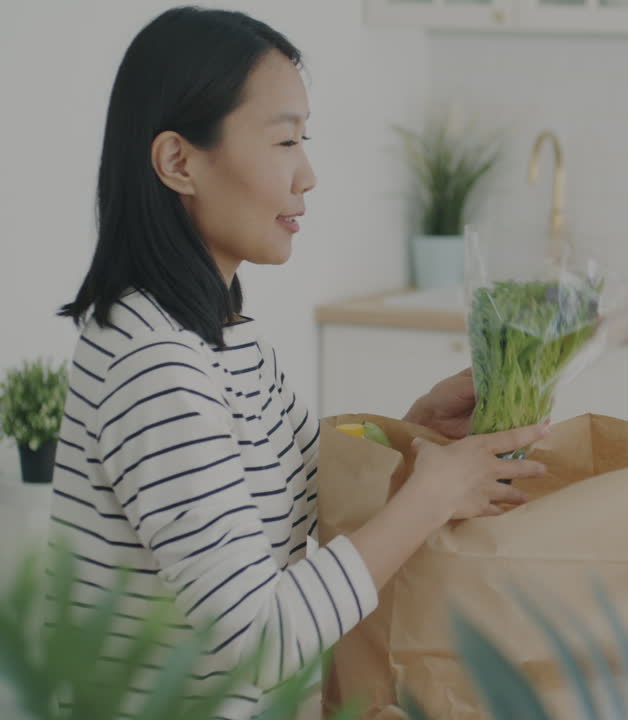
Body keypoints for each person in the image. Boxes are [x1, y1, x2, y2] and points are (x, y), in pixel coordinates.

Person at [51, 7, 545, 718]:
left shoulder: (221, 337)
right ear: (178, 162)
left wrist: (410, 434)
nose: (307, 175)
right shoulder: (154, 366)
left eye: (302, 139)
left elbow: (300, 498)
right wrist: (430, 497)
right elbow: (260, 638)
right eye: (284, 140)